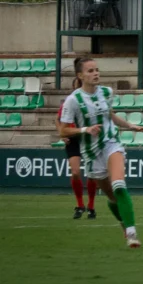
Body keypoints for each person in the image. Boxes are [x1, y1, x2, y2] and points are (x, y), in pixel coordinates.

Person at [56, 58, 143, 247]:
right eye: (90, 71)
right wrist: (84, 130)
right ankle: (123, 224)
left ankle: (132, 233)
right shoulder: (73, 100)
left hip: (111, 143)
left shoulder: (107, 92)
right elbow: (63, 131)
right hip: (91, 153)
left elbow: (110, 115)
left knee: (119, 185)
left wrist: (130, 125)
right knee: (112, 197)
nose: (95, 73)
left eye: (97, 70)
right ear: (80, 75)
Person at [57, 76, 99, 219]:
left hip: (88, 139)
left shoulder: (91, 101)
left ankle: (91, 206)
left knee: (92, 174)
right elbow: (58, 120)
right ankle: (80, 205)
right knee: (75, 172)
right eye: (76, 86)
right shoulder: (70, 101)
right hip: (73, 138)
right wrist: (62, 134)